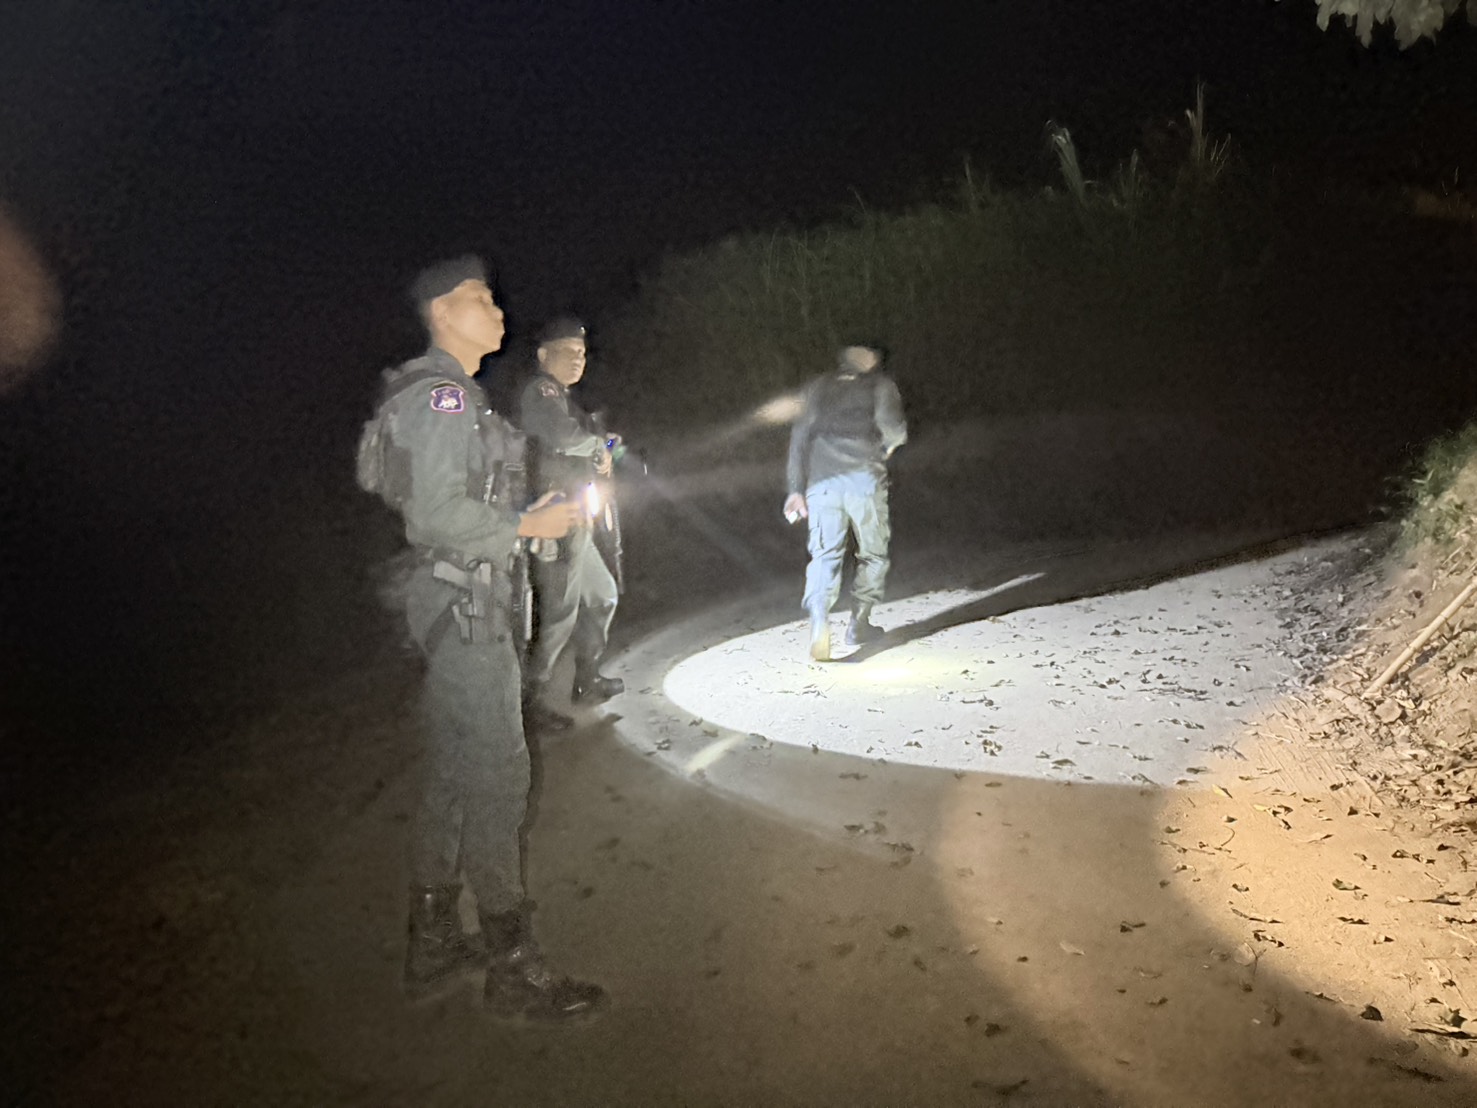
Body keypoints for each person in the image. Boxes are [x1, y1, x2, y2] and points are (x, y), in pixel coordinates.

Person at [372, 256, 605, 1021]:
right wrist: (523, 525)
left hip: (454, 596)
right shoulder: (441, 395)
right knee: (500, 774)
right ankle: (513, 966)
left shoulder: (453, 395)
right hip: (464, 604)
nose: (496, 307)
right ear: (442, 313)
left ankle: (435, 937)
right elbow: (434, 514)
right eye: (477, 298)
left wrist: (519, 523)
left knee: (451, 767)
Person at [518, 316, 623, 731]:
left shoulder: (566, 399)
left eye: (582, 352)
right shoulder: (540, 392)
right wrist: (597, 444)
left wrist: (606, 445)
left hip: (579, 519)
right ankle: (528, 704)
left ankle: (587, 679)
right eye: (568, 351)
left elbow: (594, 440)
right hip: (557, 520)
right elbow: (562, 438)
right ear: (544, 355)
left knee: (602, 597)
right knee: (558, 614)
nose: (579, 359)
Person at [783, 344, 908, 661]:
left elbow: (799, 437)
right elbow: (894, 430)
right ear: (868, 358)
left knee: (824, 555)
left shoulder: (817, 387)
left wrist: (795, 489)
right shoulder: (880, 385)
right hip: (864, 481)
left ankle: (819, 624)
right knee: (873, 553)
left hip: (822, 483)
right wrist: (887, 448)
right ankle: (859, 624)